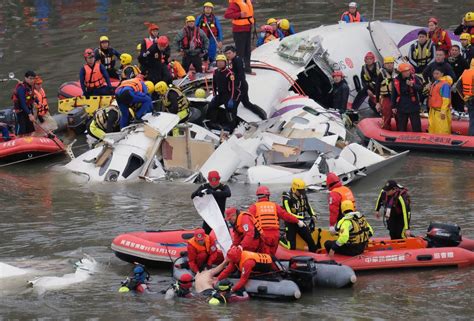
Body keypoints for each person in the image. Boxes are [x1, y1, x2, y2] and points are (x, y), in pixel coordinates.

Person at [248, 185, 304, 256]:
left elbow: (248, 220)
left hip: (263, 235)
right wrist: (297, 221)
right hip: (275, 236)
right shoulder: (274, 206)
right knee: (272, 255)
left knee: (265, 257)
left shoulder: (254, 207)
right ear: (268, 196)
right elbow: (286, 215)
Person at [224, 45, 267, 120]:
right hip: (243, 85)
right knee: (246, 103)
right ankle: (262, 114)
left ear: (234, 53)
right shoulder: (235, 60)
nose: (228, 55)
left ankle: (232, 122)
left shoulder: (237, 61)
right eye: (226, 54)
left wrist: (235, 87)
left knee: (234, 106)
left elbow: (240, 75)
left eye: (229, 53)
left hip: (240, 87)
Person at [282, 178, 318, 253]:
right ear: (294, 189)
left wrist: (313, 215)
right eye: (300, 191)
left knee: (311, 242)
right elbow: (288, 213)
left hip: (301, 223)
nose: (302, 193)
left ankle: (314, 255)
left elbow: (308, 206)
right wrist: (302, 218)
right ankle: (282, 239)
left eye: (302, 190)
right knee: (291, 247)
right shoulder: (287, 197)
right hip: (290, 224)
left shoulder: (303, 196)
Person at [206, 54, 238, 131]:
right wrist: (214, 94)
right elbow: (214, 83)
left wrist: (232, 99)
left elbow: (233, 87)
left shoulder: (229, 73)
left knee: (230, 111)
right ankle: (213, 122)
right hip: (220, 95)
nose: (220, 63)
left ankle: (232, 127)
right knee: (212, 106)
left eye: (221, 62)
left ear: (225, 63)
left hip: (228, 96)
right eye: (218, 62)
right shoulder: (215, 72)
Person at [224, 0, 254, 74]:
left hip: (248, 29)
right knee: (240, 51)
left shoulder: (247, 2)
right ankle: (238, 70)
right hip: (239, 30)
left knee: (247, 50)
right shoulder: (235, 4)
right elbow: (227, 15)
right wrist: (239, 14)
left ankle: (247, 69)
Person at [392, 63, 423, 132]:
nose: (407, 72)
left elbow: (420, 88)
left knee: (416, 127)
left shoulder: (414, 78)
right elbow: (394, 94)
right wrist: (393, 106)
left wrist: (412, 85)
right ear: (401, 72)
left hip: (413, 105)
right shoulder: (396, 80)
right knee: (401, 127)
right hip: (401, 106)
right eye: (405, 71)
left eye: (408, 70)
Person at [12, 71, 37, 136]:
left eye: (33, 79)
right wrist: (30, 115)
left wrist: (38, 102)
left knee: (30, 130)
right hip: (20, 112)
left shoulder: (30, 87)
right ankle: (18, 143)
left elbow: (33, 96)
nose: (32, 80)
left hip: (28, 110)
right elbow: (23, 103)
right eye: (30, 78)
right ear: (25, 78)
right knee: (21, 132)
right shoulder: (21, 88)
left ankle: (29, 144)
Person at [428, 69, 452, 134]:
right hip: (433, 111)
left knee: (442, 130)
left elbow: (446, 99)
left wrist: (443, 111)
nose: (435, 75)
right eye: (434, 74)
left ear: (442, 74)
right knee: (432, 129)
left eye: (437, 73)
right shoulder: (435, 83)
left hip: (440, 112)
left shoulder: (445, 85)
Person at [375, 56, 397, 130]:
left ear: (393, 64)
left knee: (399, 114)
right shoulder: (381, 74)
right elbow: (377, 88)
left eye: (391, 63)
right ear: (384, 64)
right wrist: (377, 102)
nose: (389, 65)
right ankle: (386, 128)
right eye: (387, 63)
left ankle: (400, 129)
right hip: (386, 96)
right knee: (387, 113)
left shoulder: (397, 72)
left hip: (397, 97)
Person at [448, 45, 469, 112]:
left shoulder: (462, 61)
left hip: (459, 84)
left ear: (459, 51)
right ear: (450, 51)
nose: (454, 52)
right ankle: (454, 111)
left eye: (456, 50)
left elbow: (467, 72)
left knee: (459, 99)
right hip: (449, 83)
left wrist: (459, 82)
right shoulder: (447, 60)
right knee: (452, 99)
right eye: (452, 50)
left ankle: (461, 111)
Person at [460, 60, 474, 135]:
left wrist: (464, 97)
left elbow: (458, 86)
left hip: (468, 99)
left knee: (472, 120)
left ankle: (470, 136)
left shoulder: (465, 72)